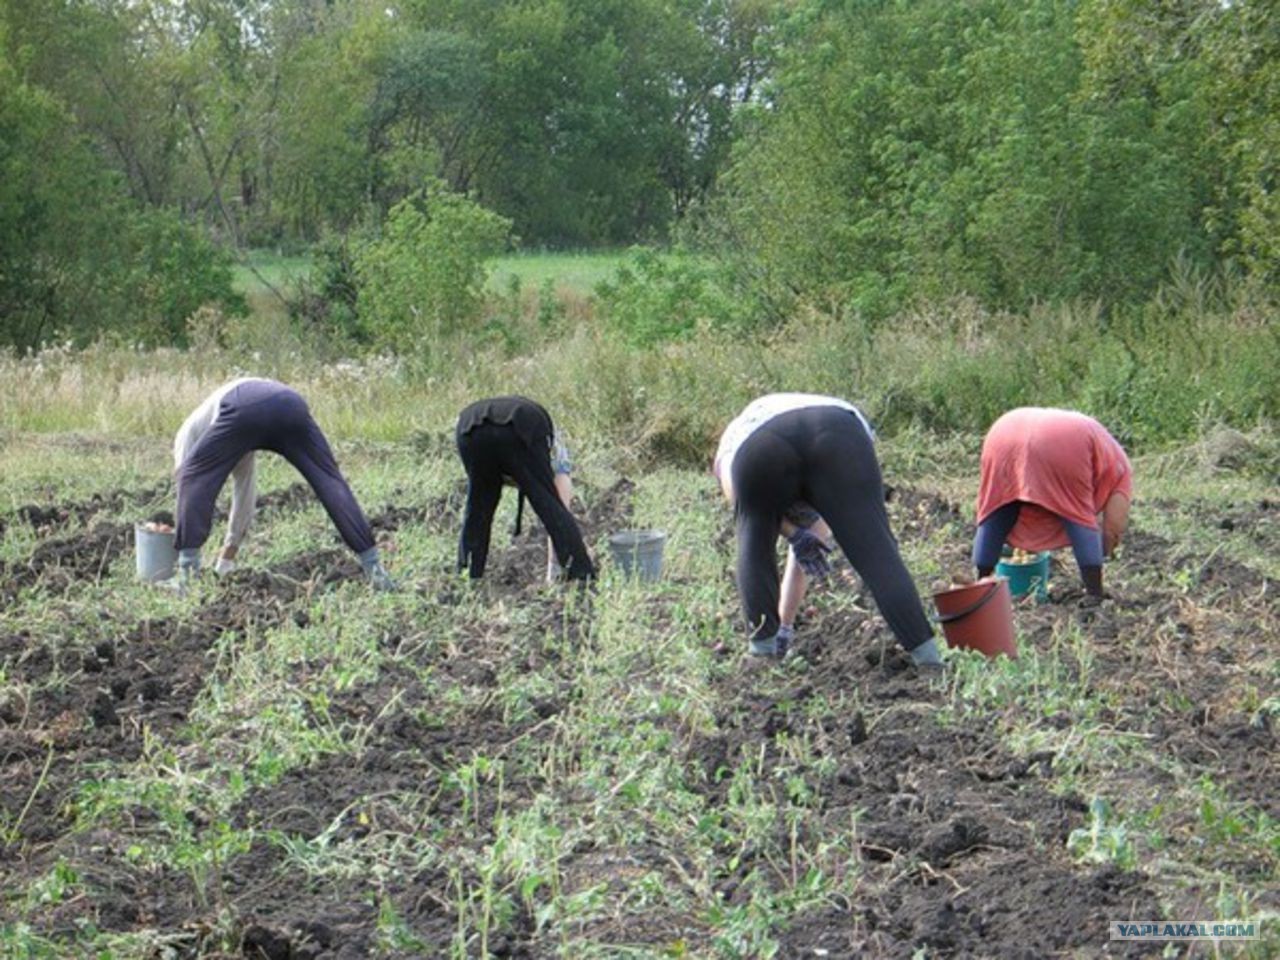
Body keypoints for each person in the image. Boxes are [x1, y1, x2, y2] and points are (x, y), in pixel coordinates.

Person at [714, 393, 940, 665]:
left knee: (754, 538)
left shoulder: (735, 443)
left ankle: (762, 654)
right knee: (876, 552)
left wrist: (784, 626)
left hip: (761, 447)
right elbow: (811, 531)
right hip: (839, 432)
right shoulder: (737, 442)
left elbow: (745, 504)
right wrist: (795, 534)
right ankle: (928, 659)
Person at [171, 377, 395, 589]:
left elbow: (188, 483)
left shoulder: (187, 434)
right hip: (290, 403)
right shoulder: (229, 438)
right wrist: (227, 558)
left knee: (193, 479)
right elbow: (245, 495)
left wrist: (183, 539)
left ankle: (186, 576)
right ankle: (374, 569)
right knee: (329, 479)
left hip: (243, 406)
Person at [973, 407, 1133, 599]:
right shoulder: (1121, 465)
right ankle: (1094, 594)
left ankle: (980, 585)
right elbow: (1114, 526)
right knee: (1076, 513)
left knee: (1000, 503)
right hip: (1066, 441)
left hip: (1003, 432)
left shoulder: (1098, 437)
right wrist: (1107, 551)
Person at [455, 396, 594, 582]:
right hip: (519, 427)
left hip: (469, 428)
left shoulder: (555, 451)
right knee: (549, 506)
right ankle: (581, 577)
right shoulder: (556, 452)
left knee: (478, 508)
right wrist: (554, 570)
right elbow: (559, 508)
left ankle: (467, 577)